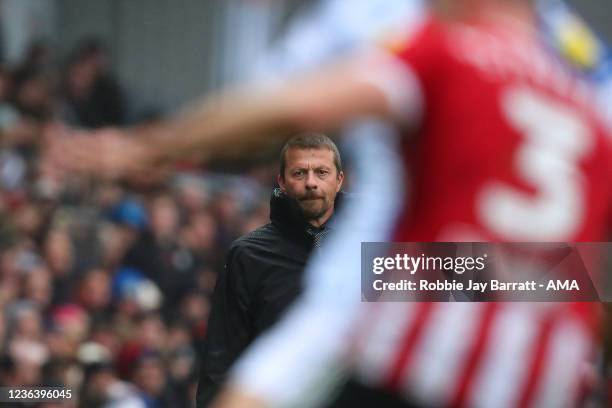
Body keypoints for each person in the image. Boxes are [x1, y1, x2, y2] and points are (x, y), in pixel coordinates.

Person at [45, 0, 612, 406]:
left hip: (391, 286)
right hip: (533, 343)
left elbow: (277, 108)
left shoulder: (444, 46)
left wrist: (150, 146)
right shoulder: (586, 83)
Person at [197, 133, 344, 407]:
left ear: (339, 180)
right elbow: (222, 356)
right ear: (282, 182)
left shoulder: (376, 246)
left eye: (321, 172)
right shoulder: (248, 254)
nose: (311, 182)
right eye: (299, 173)